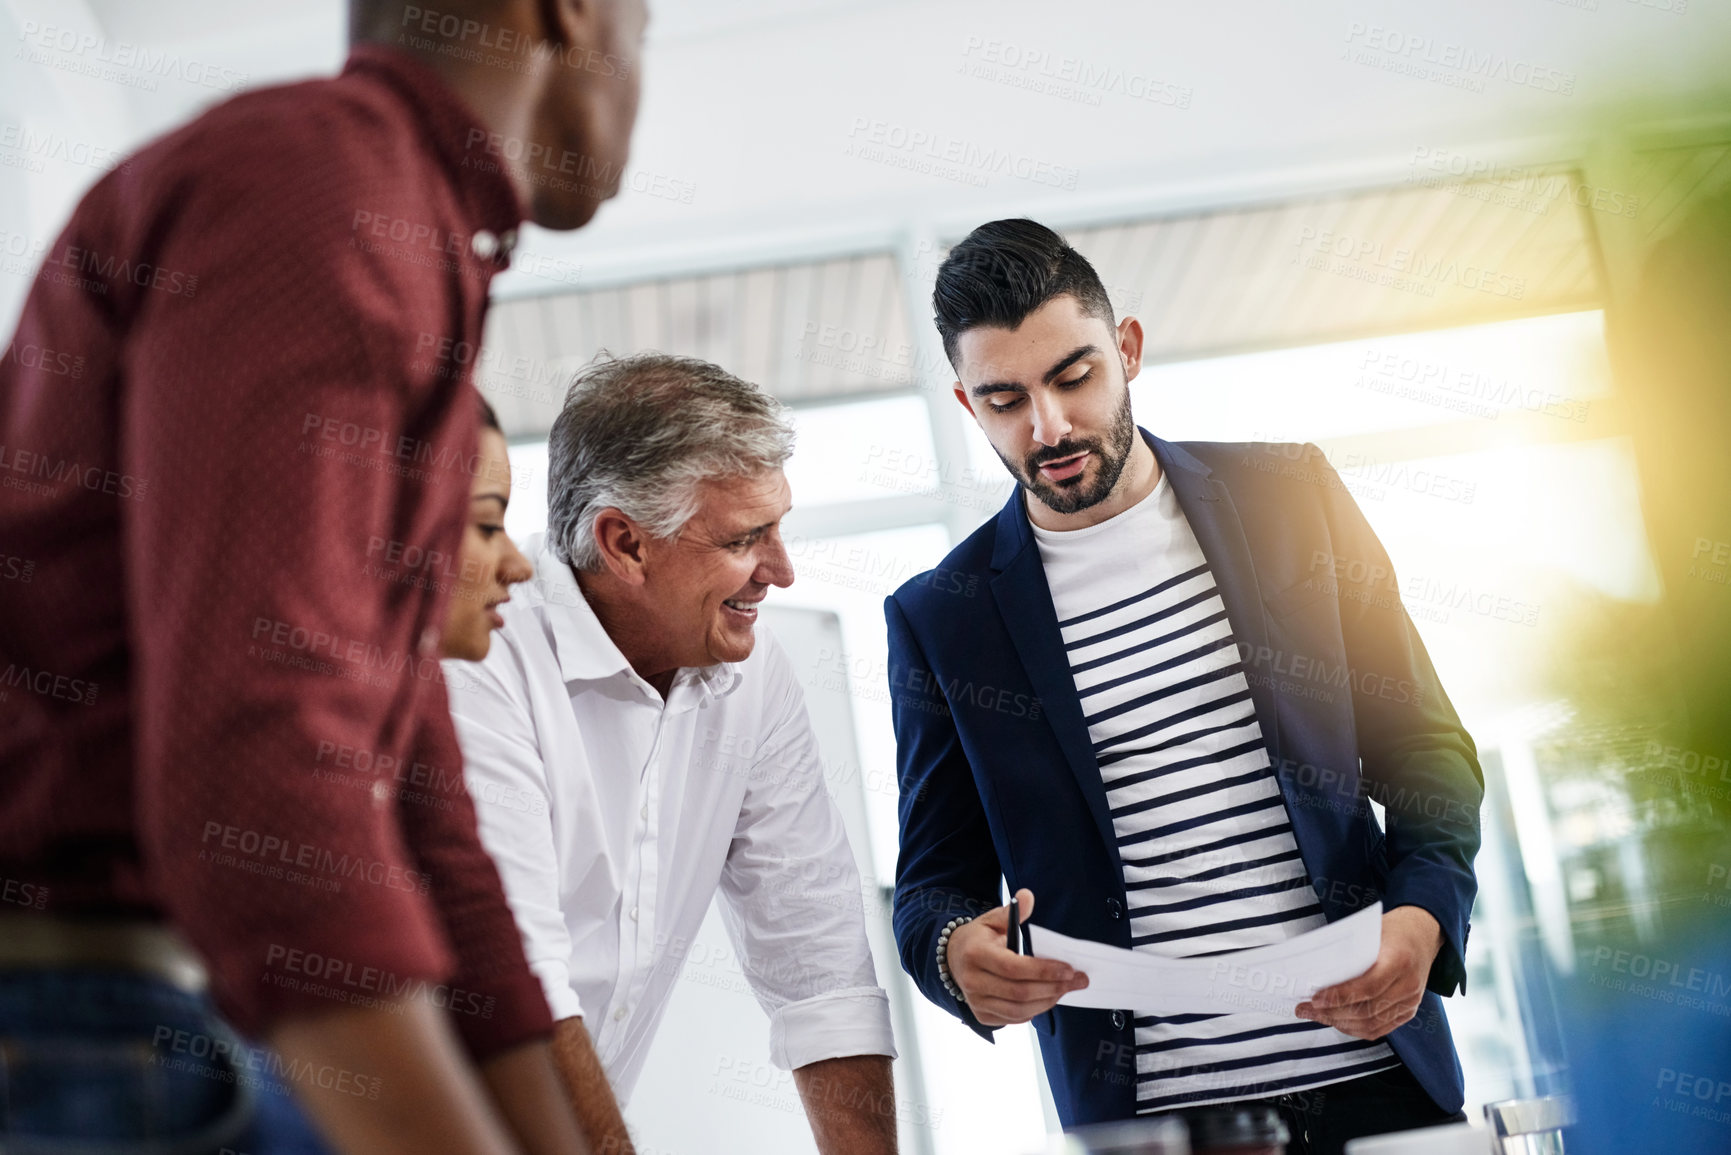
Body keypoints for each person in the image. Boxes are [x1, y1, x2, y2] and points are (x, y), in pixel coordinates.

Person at [0, 1, 644, 1151]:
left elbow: (423, 815)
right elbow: (264, 763)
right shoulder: (323, 191)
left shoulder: (407, 231)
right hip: (89, 1027)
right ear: (573, 13)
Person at [885, 220, 1483, 1155]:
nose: (1046, 426)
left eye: (1072, 377)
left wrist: (1422, 918)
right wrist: (950, 953)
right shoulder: (943, 615)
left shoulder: (1292, 495)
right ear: (966, 405)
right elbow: (930, 884)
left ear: (1125, 348)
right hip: (1155, 1127)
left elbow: (1426, 753)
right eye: (1005, 399)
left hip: (1378, 1082)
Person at [445, 353, 900, 1154]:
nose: (782, 570)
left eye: (779, 525)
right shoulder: (482, 654)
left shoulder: (753, 671)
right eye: (743, 538)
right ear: (623, 543)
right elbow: (520, 978)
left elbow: (819, 965)